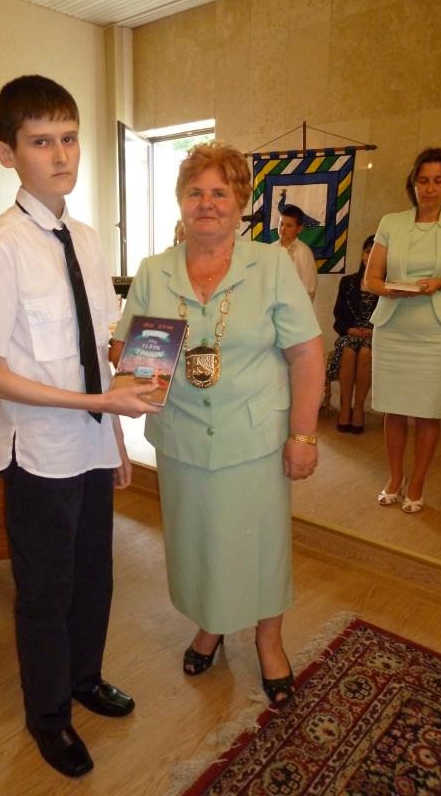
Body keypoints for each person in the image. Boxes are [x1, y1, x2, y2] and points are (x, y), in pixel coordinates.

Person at [0, 75, 160, 779]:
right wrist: (98, 408)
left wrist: (113, 433)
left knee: (94, 577)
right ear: (7, 153)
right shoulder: (1, 245)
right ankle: (47, 715)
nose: (60, 155)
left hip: (88, 440)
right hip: (38, 451)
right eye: (40, 141)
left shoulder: (85, 238)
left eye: (69, 138)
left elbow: (99, 348)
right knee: (46, 590)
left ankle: (84, 679)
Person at [110, 141, 324, 706]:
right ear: (180, 201)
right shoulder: (153, 271)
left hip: (255, 436)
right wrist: (136, 357)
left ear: (241, 203)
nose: (206, 203)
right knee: (198, 540)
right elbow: (123, 348)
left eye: (219, 193)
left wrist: (303, 435)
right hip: (181, 436)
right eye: (195, 192)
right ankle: (210, 625)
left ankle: (269, 640)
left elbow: (307, 354)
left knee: (261, 543)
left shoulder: (271, 266)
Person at [364, 147, 441, 513]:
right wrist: (390, 289)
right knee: (393, 409)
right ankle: (395, 477)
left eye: (438, 180)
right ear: (413, 184)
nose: (429, 188)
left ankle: (418, 482)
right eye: (423, 181)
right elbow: (371, 279)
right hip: (394, 327)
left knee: (428, 410)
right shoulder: (391, 222)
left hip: (439, 332)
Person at [327, 235, 379, 433]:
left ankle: (358, 409)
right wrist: (348, 329)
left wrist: (373, 332)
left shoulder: (387, 286)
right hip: (350, 333)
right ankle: (345, 408)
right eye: (367, 251)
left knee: (365, 352)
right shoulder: (347, 282)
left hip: (375, 336)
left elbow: (392, 318)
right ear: (362, 254)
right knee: (348, 349)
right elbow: (338, 314)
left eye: (375, 253)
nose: (370, 256)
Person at [272, 204, 318, 302]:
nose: (283, 228)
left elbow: (310, 286)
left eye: (289, 226)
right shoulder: (270, 249)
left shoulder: (304, 252)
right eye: (281, 224)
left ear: (299, 229)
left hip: (294, 306)